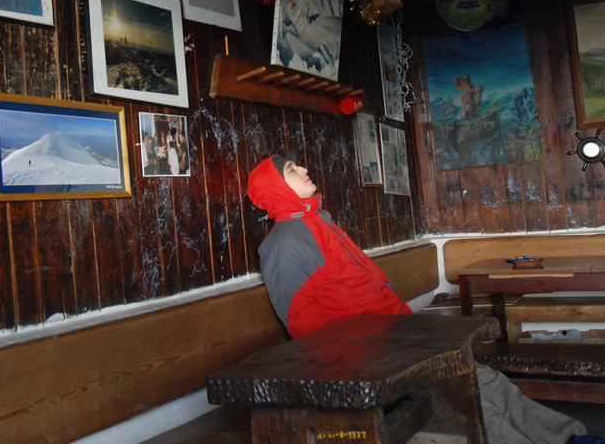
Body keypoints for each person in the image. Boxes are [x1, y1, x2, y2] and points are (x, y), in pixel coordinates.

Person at [247, 153, 587, 444]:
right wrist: (381, 352)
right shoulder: (284, 242)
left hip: (398, 337)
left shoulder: (318, 222)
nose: (305, 170)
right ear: (275, 187)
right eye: (292, 169)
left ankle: (571, 436)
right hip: (369, 356)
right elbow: (303, 326)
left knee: (486, 379)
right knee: (464, 393)